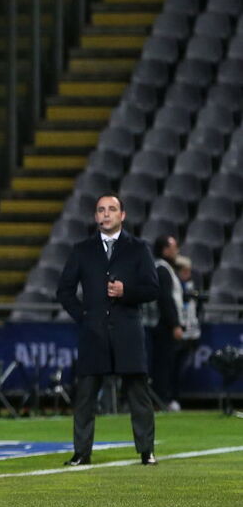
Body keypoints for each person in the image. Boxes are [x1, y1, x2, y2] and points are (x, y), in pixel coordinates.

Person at [56, 194, 160, 466]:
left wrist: (127, 292)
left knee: (138, 395)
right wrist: (84, 317)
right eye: (101, 210)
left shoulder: (138, 248)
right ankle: (81, 452)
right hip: (94, 333)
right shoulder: (82, 249)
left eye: (112, 209)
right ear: (95, 216)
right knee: (86, 397)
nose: (106, 214)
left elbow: (153, 288)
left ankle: (146, 451)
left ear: (122, 215)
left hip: (128, 332)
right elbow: (64, 290)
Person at [150, 235, 184, 411]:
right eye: (173, 247)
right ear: (165, 250)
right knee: (164, 364)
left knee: (166, 363)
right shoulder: (162, 269)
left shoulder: (167, 269)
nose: (176, 250)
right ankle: (163, 399)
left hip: (164, 324)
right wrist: (174, 324)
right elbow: (165, 299)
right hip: (164, 326)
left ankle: (163, 398)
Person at [170, 255, 201, 412]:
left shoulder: (191, 287)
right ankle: (171, 398)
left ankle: (176, 397)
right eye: (185, 271)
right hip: (178, 332)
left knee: (182, 368)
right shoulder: (175, 288)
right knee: (174, 368)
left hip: (191, 332)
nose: (188, 274)